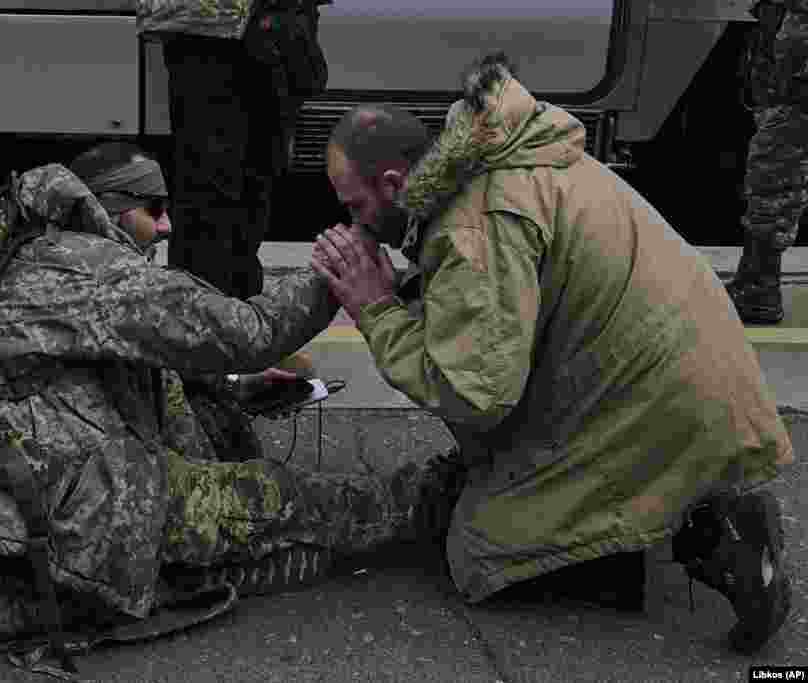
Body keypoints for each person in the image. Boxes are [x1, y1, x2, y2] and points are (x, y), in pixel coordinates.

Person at [310, 54, 795, 654]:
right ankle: (671, 504)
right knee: (481, 484)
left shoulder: (472, 227)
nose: (351, 222)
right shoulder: (508, 158)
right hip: (683, 383)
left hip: (662, 407)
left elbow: (476, 394)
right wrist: (405, 293)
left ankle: (708, 539)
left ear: (391, 184)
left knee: (473, 548)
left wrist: (376, 310)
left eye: (354, 206)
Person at [0, 142, 437, 659]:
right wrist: (344, 263)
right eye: (154, 208)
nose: (168, 224)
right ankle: (431, 500)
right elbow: (250, 331)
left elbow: (104, 369)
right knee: (278, 497)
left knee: (220, 450)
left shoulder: (19, 255)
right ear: (111, 208)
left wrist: (228, 391)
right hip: (42, 528)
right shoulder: (91, 269)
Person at [135, 0, 330, 299]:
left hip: (263, 18)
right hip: (212, 24)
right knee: (214, 185)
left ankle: (233, 311)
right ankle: (206, 315)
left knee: (252, 181)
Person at [726, 0, 808, 323]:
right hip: (786, 91)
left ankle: (759, 289)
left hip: (793, 97)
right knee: (773, 176)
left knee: (773, 178)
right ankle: (755, 284)